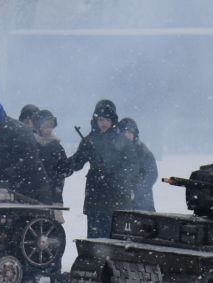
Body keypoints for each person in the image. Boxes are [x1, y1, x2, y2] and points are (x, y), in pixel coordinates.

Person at [61, 98, 128, 238]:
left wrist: (119, 177)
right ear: (96, 120)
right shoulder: (90, 140)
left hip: (116, 197)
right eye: (101, 120)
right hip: (95, 196)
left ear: (113, 121)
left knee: (113, 236)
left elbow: (131, 165)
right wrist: (62, 165)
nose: (104, 123)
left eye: (108, 120)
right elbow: (77, 161)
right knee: (94, 235)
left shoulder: (122, 140)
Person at [114, 117, 157, 212]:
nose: (127, 135)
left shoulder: (143, 151)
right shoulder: (115, 151)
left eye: (130, 132)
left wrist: (139, 189)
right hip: (120, 199)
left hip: (142, 201)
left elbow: (152, 173)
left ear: (135, 134)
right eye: (124, 132)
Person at [30, 110, 68, 205]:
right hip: (32, 197)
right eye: (45, 126)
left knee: (54, 219)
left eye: (51, 126)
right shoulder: (31, 145)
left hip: (54, 196)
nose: (49, 129)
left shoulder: (57, 147)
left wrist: (66, 169)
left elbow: (65, 169)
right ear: (38, 127)